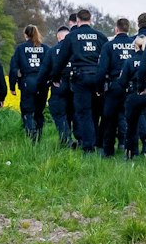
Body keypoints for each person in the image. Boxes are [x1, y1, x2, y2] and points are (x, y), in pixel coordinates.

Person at [52, 10, 111, 152]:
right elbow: (107, 58)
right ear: (90, 20)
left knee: (84, 112)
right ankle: (99, 143)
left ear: (77, 21)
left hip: (80, 78)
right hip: (98, 77)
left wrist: (55, 77)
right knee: (97, 112)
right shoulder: (101, 37)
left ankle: (88, 146)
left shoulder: (72, 36)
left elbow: (61, 60)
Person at [98, 17, 136, 156]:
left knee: (109, 118)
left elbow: (102, 70)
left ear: (116, 29)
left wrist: (99, 88)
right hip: (131, 86)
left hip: (114, 85)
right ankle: (129, 149)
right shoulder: (135, 44)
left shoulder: (109, 46)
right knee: (130, 118)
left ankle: (108, 150)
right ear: (128, 29)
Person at [10, 25, 52, 143]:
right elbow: (52, 65)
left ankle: (30, 131)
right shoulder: (45, 48)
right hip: (42, 83)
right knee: (39, 111)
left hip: (27, 82)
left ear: (25, 35)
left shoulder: (20, 49)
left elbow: (14, 67)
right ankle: (38, 136)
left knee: (27, 110)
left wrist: (12, 86)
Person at [47, 26, 73, 146]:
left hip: (59, 85)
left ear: (58, 37)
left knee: (59, 112)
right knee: (75, 113)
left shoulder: (52, 51)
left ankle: (65, 139)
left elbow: (45, 70)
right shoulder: (76, 49)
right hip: (75, 85)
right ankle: (80, 140)